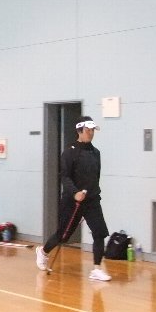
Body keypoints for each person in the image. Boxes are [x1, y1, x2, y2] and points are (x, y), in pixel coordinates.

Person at [35, 116, 111, 281]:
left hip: (92, 200)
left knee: (99, 233)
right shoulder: (69, 152)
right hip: (72, 201)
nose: (91, 133)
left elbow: (95, 176)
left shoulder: (96, 153)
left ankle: (97, 269)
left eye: (92, 130)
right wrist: (75, 193)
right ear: (79, 131)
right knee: (63, 235)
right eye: (88, 130)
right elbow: (65, 177)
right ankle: (43, 251)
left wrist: (93, 192)